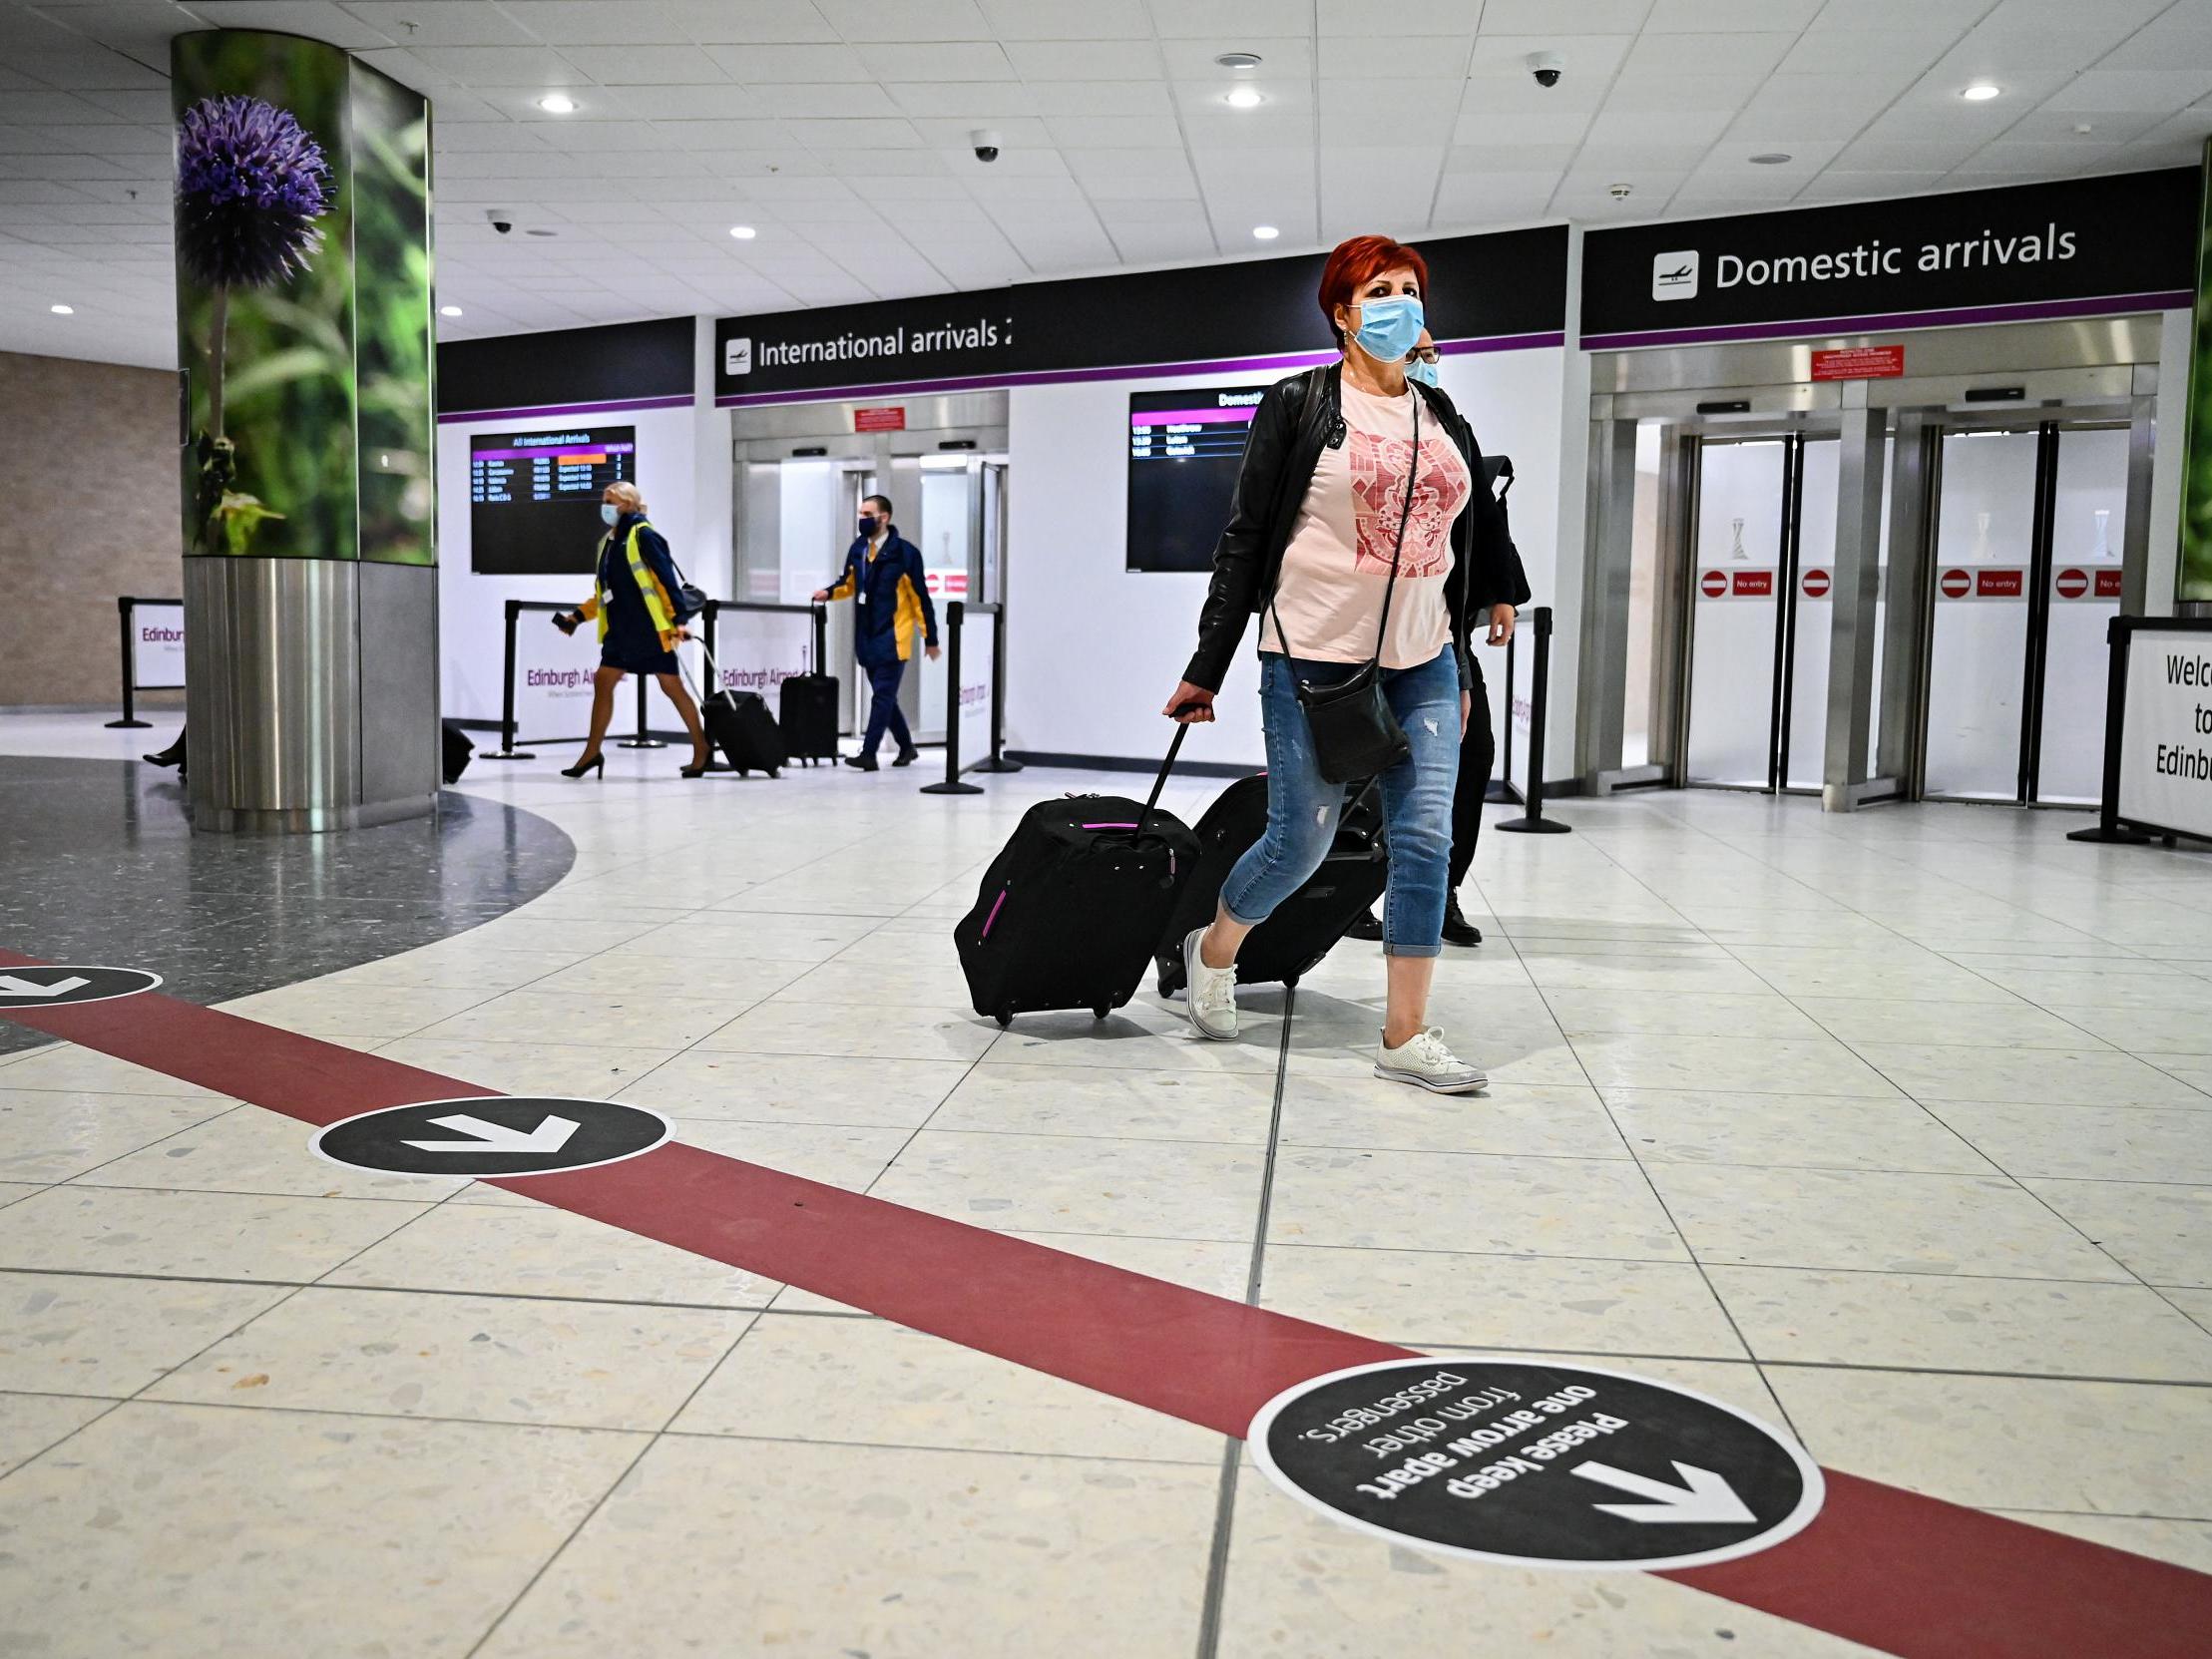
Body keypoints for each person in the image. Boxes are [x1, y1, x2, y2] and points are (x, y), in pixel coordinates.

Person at [1162, 234, 1529, 1095]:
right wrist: (1206, 666)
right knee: (1302, 841)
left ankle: (1404, 1034)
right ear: (1342, 311)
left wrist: (1491, 602)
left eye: (1411, 289)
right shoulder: (1297, 404)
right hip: (1309, 655)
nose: (1400, 302)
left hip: (1425, 656)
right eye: (1380, 290)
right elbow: (1245, 538)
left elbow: (1470, 510)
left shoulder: (1438, 410)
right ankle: (1213, 949)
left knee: (1424, 839)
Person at [550, 481, 709, 779]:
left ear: (627, 505)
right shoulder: (608, 543)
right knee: (603, 681)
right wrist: (577, 617)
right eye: (604, 500)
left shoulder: (644, 535)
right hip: (621, 631)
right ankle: (591, 753)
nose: (605, 506)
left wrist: (679, 621)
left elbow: (666, 581)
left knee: (671, 687)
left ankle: (701, 748)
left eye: (610, 500)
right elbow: (604, 592)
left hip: (649, 629)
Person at [812, 494, 940, 771]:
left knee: (881, 696)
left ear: (884, 517)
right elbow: (848, 584)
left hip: (895, 637)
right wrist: (828, 593)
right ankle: (907, 747)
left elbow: (920, 599)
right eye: (861, 512)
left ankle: (868, 753)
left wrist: (931, 639)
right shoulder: (858, 549)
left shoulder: (905, 554)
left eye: (867, 513)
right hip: (867, 636)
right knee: (886, 698)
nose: (862, 518)